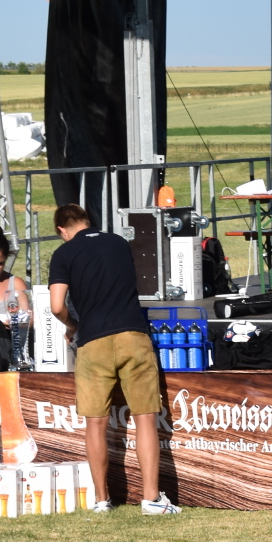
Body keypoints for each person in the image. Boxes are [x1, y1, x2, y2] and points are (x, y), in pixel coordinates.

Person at [46, 203, 180, 516]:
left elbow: (55, 306)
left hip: (93, 341)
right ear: (88, 220)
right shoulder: (119, 242)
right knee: (146, 417)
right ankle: (151, 499)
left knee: (95, 423)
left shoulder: (63, 254)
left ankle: (101, 500)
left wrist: (73, 325)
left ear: (61, 230)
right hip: (133, 334)